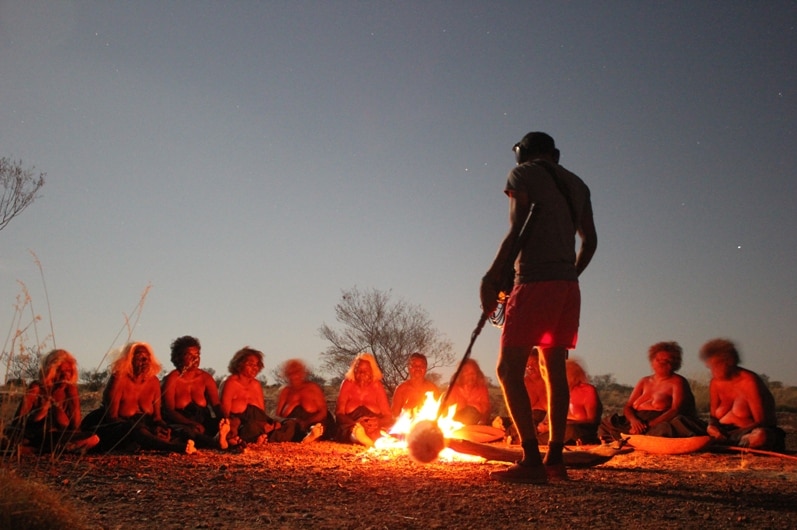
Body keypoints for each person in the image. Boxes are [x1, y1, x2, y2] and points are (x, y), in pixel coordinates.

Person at [480, 131, 597, 483]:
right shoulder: (578, 184)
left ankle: (531, 460)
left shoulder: (523, 174)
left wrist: (493, 275)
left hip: (533, 282)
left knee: (508, 370)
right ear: (555, 154)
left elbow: (517, 228)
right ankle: (555, 461)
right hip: (567, 288)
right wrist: (569, 274)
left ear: (524, 154)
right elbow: (589, 241)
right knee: (553, 370)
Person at [82, 342, 196, 453]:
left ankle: (211, 443)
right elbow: (112, 417)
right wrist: (147, 430)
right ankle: (176, 448)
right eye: (139, 357)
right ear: (129, 361)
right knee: (135, 429)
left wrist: (163, 427)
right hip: (116, 428)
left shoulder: (154, 382)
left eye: (147, 357)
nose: (145, 360)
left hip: (144, 428)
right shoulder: (119, 379)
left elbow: (157, 418)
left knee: (182, 430)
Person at [599, 341, 704, 442]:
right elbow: (628, 406)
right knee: (608, 422)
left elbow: (675, 410)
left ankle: (634, 438)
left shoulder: (678, 381)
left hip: (657, 423)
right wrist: (634, 421)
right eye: (659, 360)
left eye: (667, 361)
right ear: (652, 361)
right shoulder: (644, 381)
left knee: (666, 429)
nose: (662, 364)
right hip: (634, 423)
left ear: (675, 363)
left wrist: (648, 425)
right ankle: (623, 438)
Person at [700, 338, 785, 451]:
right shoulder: (715, 383)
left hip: (747, 432)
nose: (713, 371)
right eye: (711, 367)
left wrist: (730, 435)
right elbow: (713, 417)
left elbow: (761, 421)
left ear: (729, 361)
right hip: (725, 433)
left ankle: (732, 445)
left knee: (760, 436)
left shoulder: (749, 381)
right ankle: (727, 444)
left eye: (716, 365)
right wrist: (712, 427)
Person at [9, 349, 99, 454]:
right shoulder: (36, 388)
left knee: (93, 438)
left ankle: (40, 450)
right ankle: (41, 449)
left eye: (69, 371)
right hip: (35, 436)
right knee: (10, 438)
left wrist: (55, 409)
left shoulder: (70, 390)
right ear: (50, 371)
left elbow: (76, 426)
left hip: (60, 436)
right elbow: (17, 422)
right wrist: (40, 413)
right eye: (60, 371)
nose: (66, 376)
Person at [219, 346, 296, 449]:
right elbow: (224, 413)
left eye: (257, 365)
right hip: (241, 424)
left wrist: (267, 424)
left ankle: (265, 436)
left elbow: (261, 412)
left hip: (259, 422)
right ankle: (265, 436)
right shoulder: (230, 383)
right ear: (239, 364)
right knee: (250, 427)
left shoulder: (256, 384)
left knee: (290, 423)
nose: (255, 368)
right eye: (250, 364)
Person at [161, 336, 228, 449]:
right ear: (178, 357)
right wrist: (190, 423)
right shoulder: (171, 379)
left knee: (230, 424)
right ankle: (216, 443)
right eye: (189, 355)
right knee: (188, 432)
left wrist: (225, 420)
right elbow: (169, 410)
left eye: (197, 355)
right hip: (181, 422)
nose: (195, 359)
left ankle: (222, 438)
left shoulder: (206, 378)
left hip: (203, 420)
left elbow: (216, 405)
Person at [538, 359, 601, 445]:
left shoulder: (587, 391)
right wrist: (543, 425)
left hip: (578, 432)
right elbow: (547, 419)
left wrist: (562, 424)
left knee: (570, 429)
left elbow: (594, 421)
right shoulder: (558, 393)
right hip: (557, 432)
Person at [334, 353, 393, 447]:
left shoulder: (377, 386)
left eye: (366, 370)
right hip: (351, 426)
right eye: (359, 369)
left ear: (372, 371)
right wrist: (356, 424)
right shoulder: (347, 384)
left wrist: (377, 422)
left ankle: (370, 439)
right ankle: (360, 437)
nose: (362, 373)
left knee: (381, 432)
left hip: (373, 428)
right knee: (353, 432)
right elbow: (339, 413)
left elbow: (388, 416)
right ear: (354, 370)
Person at [275, 358, 334, 443]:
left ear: (303, 373)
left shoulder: (313, 388)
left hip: (314, 423)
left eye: (297, 372)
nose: (294, 375)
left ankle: (311, 435)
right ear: (286, 374)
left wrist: (306, 422)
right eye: (291, 372)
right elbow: (277, 415)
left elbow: (323, 412)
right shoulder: (285, 391)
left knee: (318, 427)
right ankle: (304, 437)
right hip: (292, 427)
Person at [391, 352, 440, 418]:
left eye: (421, 366)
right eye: (414, 365)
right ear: (408, 368)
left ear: (425, 368)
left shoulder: (433, 389)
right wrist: (406, 411)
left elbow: (439, 414)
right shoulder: (401, 389)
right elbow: (394, 415)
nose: (417, 368)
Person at [445, 359, 491, 425]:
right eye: (467, 373)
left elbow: (486, 409)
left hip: (476, 425)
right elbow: (447, 409)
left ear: (478, 374)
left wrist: (481, 420)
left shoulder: (482, 388)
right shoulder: (453, 388)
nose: (470, 376)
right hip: (455, 425)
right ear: (461, 374)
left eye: (473, 373)